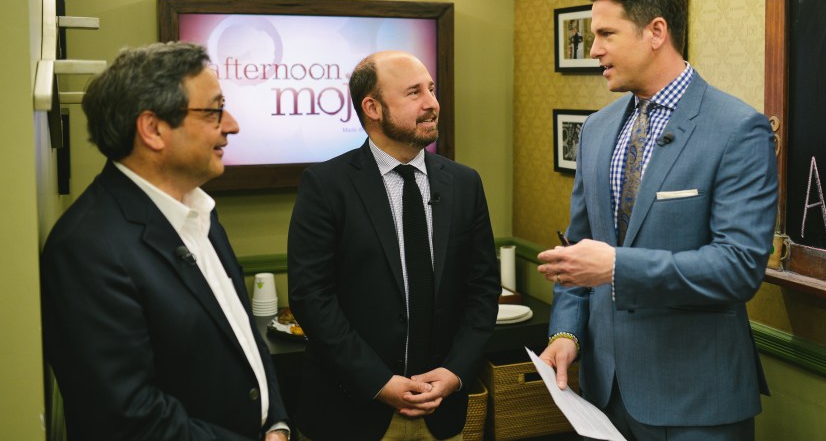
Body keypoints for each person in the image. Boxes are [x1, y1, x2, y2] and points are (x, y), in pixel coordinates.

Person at [537, 0, 778, 440]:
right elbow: (577, 249)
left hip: (697, 402)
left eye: (606, 34)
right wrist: (565, 333)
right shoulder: (597, 130)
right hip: (605, 394)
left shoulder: (737, 129)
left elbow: (739, 267)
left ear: (656, 32)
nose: (593, 50)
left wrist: (616, 267)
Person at [40, 42, 290, 440]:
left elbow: (244, 340)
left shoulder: (200, 211)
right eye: (213, 111)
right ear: (153, 130)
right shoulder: (87, 248)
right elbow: (128, 417)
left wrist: (276, 422)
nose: (232, 125)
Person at [288, 50, 500, 441]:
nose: (432, 103)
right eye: (414, 92)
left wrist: (455, 372)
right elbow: (312, 298)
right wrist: (378, 382)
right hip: (350, 414)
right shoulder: (325, 186)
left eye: (431, 89)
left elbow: (483, 290)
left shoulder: (465, 183)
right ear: (373, 108)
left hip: (441, 412)